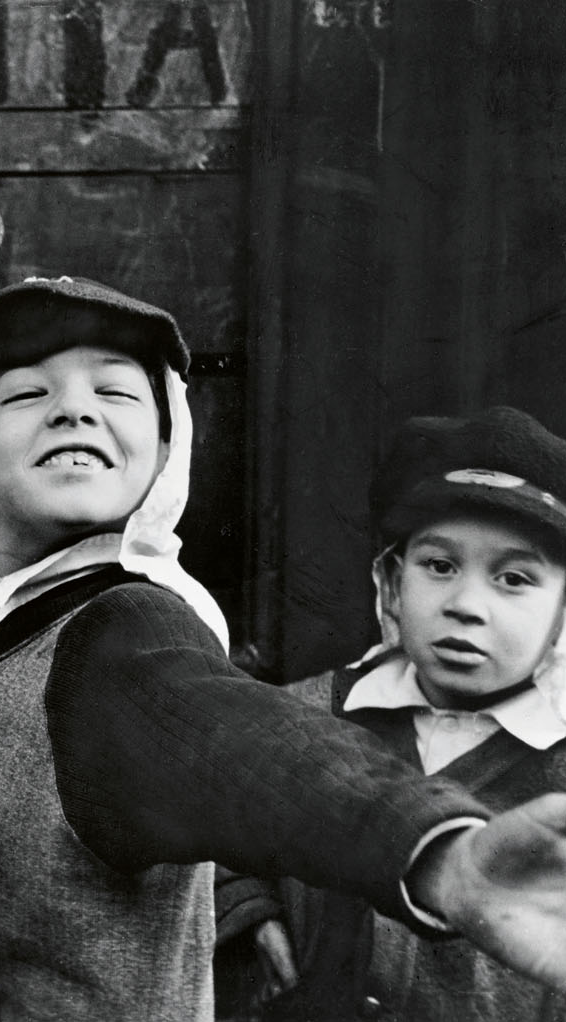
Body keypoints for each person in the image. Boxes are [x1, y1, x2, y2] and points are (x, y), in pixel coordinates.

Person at [0, 275, 566, 1020]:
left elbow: (255, 747)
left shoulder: (123, 633)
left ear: (164, 454)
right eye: (25, 395)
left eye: (115, 394)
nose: (73, 407)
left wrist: (439, 852)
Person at [215, 406, 566, 1021]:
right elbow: (217, 821)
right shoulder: (305, 714)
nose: (465, 605)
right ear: (393, 582)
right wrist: (247, 911)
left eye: (513, 579)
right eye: (440, 566)